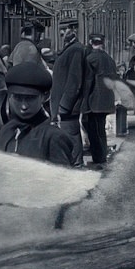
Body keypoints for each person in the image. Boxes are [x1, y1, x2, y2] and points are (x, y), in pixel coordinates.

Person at [0, 61, 76, 166]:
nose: (24, 106)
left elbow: (62, 179)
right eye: (18, 98)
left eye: (31, 98)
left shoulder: (53, 137)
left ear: (45, 97)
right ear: (10, 97)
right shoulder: (5, 132)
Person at [50, 17, 88, 167]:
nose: (61, 33)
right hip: (63, 104)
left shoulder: (76, 50)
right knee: (67, 135)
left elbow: (74, 82)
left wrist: (64, 106)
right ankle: (73, 165)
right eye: (61, 30)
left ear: (74, 30)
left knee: (71, 135)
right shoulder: (70, 49)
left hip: (68, 105)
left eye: (65, 30)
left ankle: (76, 166)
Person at [82, 33, 117, 169]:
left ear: (91, 42)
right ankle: (101, 156)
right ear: (102, 43)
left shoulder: (90, 59)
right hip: (107, 99)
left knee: (94, 131)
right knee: (101, 129)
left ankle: (99, 158)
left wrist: (85, 99)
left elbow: (88, 81)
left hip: (94, 100)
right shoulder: (109, 59)